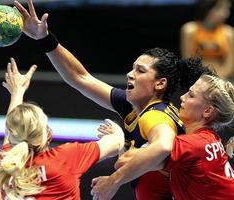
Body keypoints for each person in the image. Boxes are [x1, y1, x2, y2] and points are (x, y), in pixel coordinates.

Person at [14, 0, 213, 199]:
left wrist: (113, 181)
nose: (129, 74)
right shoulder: (135, 107)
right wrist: (44, 39)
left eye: (140, 71)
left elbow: (163, 146)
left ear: (160, 84)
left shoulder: (157, 116)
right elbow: (80, 78)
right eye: (133, 67)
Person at [0, 58, 125, 200]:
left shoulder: (7, 166)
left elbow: (13, 129)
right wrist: (115, 129)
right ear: (48, 134)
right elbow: (117, 142)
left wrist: (17, 92)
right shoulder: (65, 158)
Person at [91, 74, 234, 200]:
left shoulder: (195, 145)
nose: (182, 97)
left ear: (207, 111)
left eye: (191, 95)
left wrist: (118, 138)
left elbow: (125, 161)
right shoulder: (207, 141)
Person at [180, 0, 234, 80]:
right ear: (209, 9)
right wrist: (201, 80)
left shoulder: (228, 32)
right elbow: (187, 60)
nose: (227, 14)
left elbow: (230, 64)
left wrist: (217, 80)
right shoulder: (190, 30)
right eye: (223, 9)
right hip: (196, 78)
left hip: (222, 79)